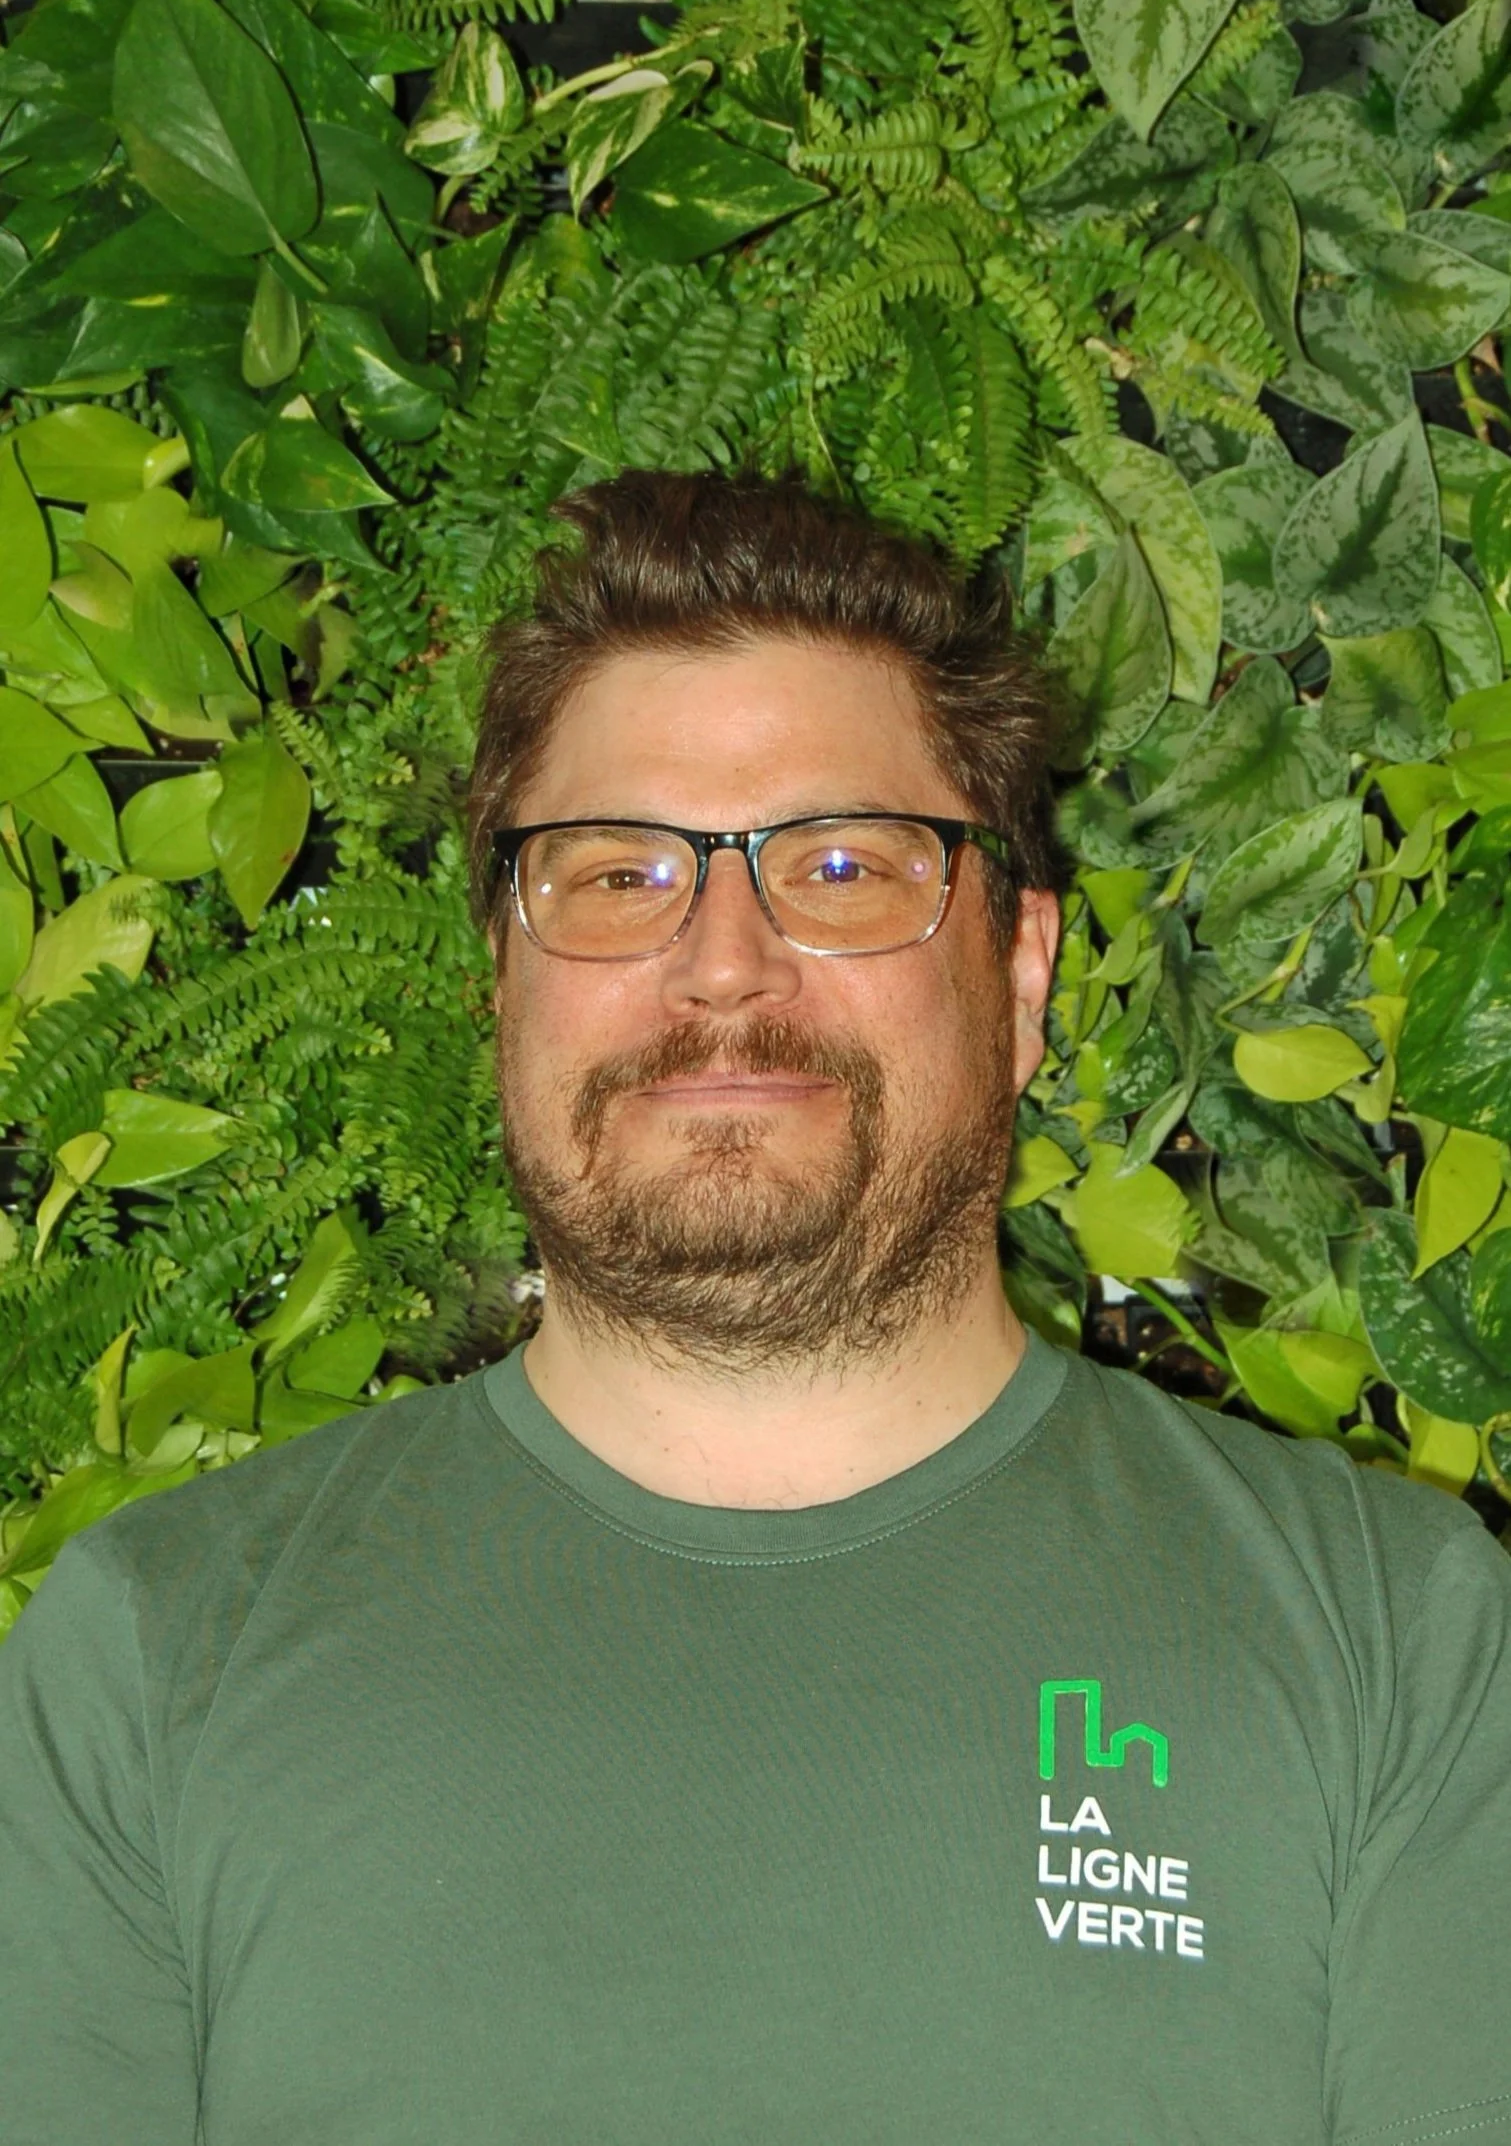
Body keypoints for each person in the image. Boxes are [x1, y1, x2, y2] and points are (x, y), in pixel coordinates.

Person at [2, 471, 1509, 2146]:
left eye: (844, 864)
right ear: (502, 979)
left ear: (1015, 978)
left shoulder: (1400, 1645)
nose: (722, 960)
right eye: (616, 874)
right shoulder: (151, 1657)